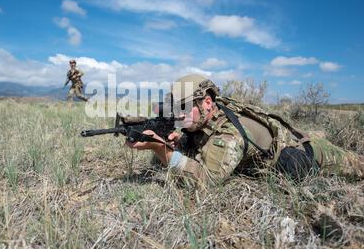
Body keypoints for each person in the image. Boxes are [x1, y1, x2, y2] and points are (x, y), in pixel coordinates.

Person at [126, 74, 364, 189]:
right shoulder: (208, 118)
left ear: (207, 103)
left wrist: (161, 150)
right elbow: (200, 143)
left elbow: (206, 182)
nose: (178, 115)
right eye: (174, 109)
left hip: (312, 154)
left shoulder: (229, 134)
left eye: (184, 108)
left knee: (357, 166)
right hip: (295, 141)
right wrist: (177, 142)